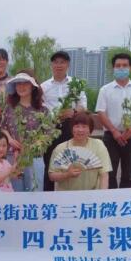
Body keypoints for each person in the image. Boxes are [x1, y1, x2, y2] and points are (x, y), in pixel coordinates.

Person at [95, 53, 131, 189]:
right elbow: (101, 112)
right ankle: (111, 199)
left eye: (125, 65)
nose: (121, 68)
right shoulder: (105, 89)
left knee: (129, 173)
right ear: (113, 68)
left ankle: (126, 198)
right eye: (118, 66)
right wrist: (114, 131)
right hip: (111, 136)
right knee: (109, 172)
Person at [41, 50, 87, 191]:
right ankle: (48, 196)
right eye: (56, 62)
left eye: (62, 62)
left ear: (68, 65)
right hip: (50, 129)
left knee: (72, 162)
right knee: (50, 164)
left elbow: (83, 105)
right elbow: (40, 108)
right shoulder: (44, 86)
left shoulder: (76, 84)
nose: (59, 65)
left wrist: (73, 112)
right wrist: (54, 115)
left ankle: (69, 195)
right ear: (51, 65)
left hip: (70, 127)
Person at [1, 69, 48, 192]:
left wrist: (32, 146)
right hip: (13, 156)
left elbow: (47, 134)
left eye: (25, 83)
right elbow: (2, 128)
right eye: (18, 84)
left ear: (32, 86)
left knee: (34, 191)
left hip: (34, 156)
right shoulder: (9, 108)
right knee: (15, 193)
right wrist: (9, 139)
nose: (21, 87)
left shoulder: (43, 110)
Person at [48, 112, 111, 191]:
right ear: (72, 129)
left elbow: (104, 174)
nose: (80, 130)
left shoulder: (98, 145)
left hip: (92, 193)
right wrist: (67, 175)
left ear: (90, 130)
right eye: (77, 126)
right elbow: (52, 176)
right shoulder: (61, 148)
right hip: (66, 193)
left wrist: (102, 194)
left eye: (84, 127)